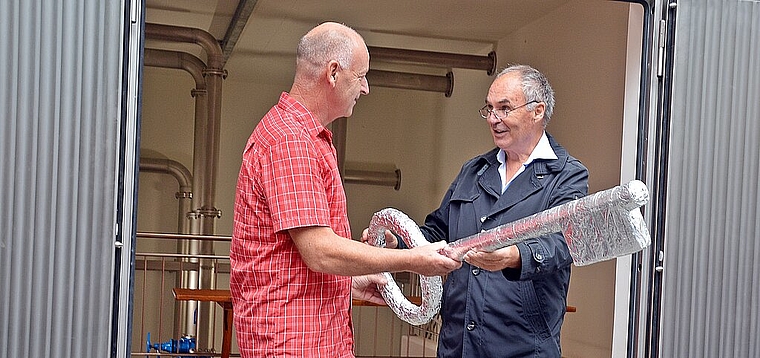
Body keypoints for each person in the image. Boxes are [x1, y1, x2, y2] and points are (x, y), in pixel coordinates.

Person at [229, 22, 461, 358]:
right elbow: (319, 251)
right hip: (294, 343)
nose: (365, 88)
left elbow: (294, 258)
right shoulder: (291, 141)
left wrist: (349, 282)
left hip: (311, 337)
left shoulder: (303, 136)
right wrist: (413, 261)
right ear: (334, 72)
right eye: (361, 75)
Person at [406, 64, 588, 357]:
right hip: (458, 345)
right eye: (489, 108)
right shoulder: (474, 170)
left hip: (522, 348)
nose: (493, 119)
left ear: (537, 111)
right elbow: (438, 231)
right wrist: (400, 239)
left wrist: (513, 256)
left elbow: (566, 242)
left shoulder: (566, 175)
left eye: (504, 108)